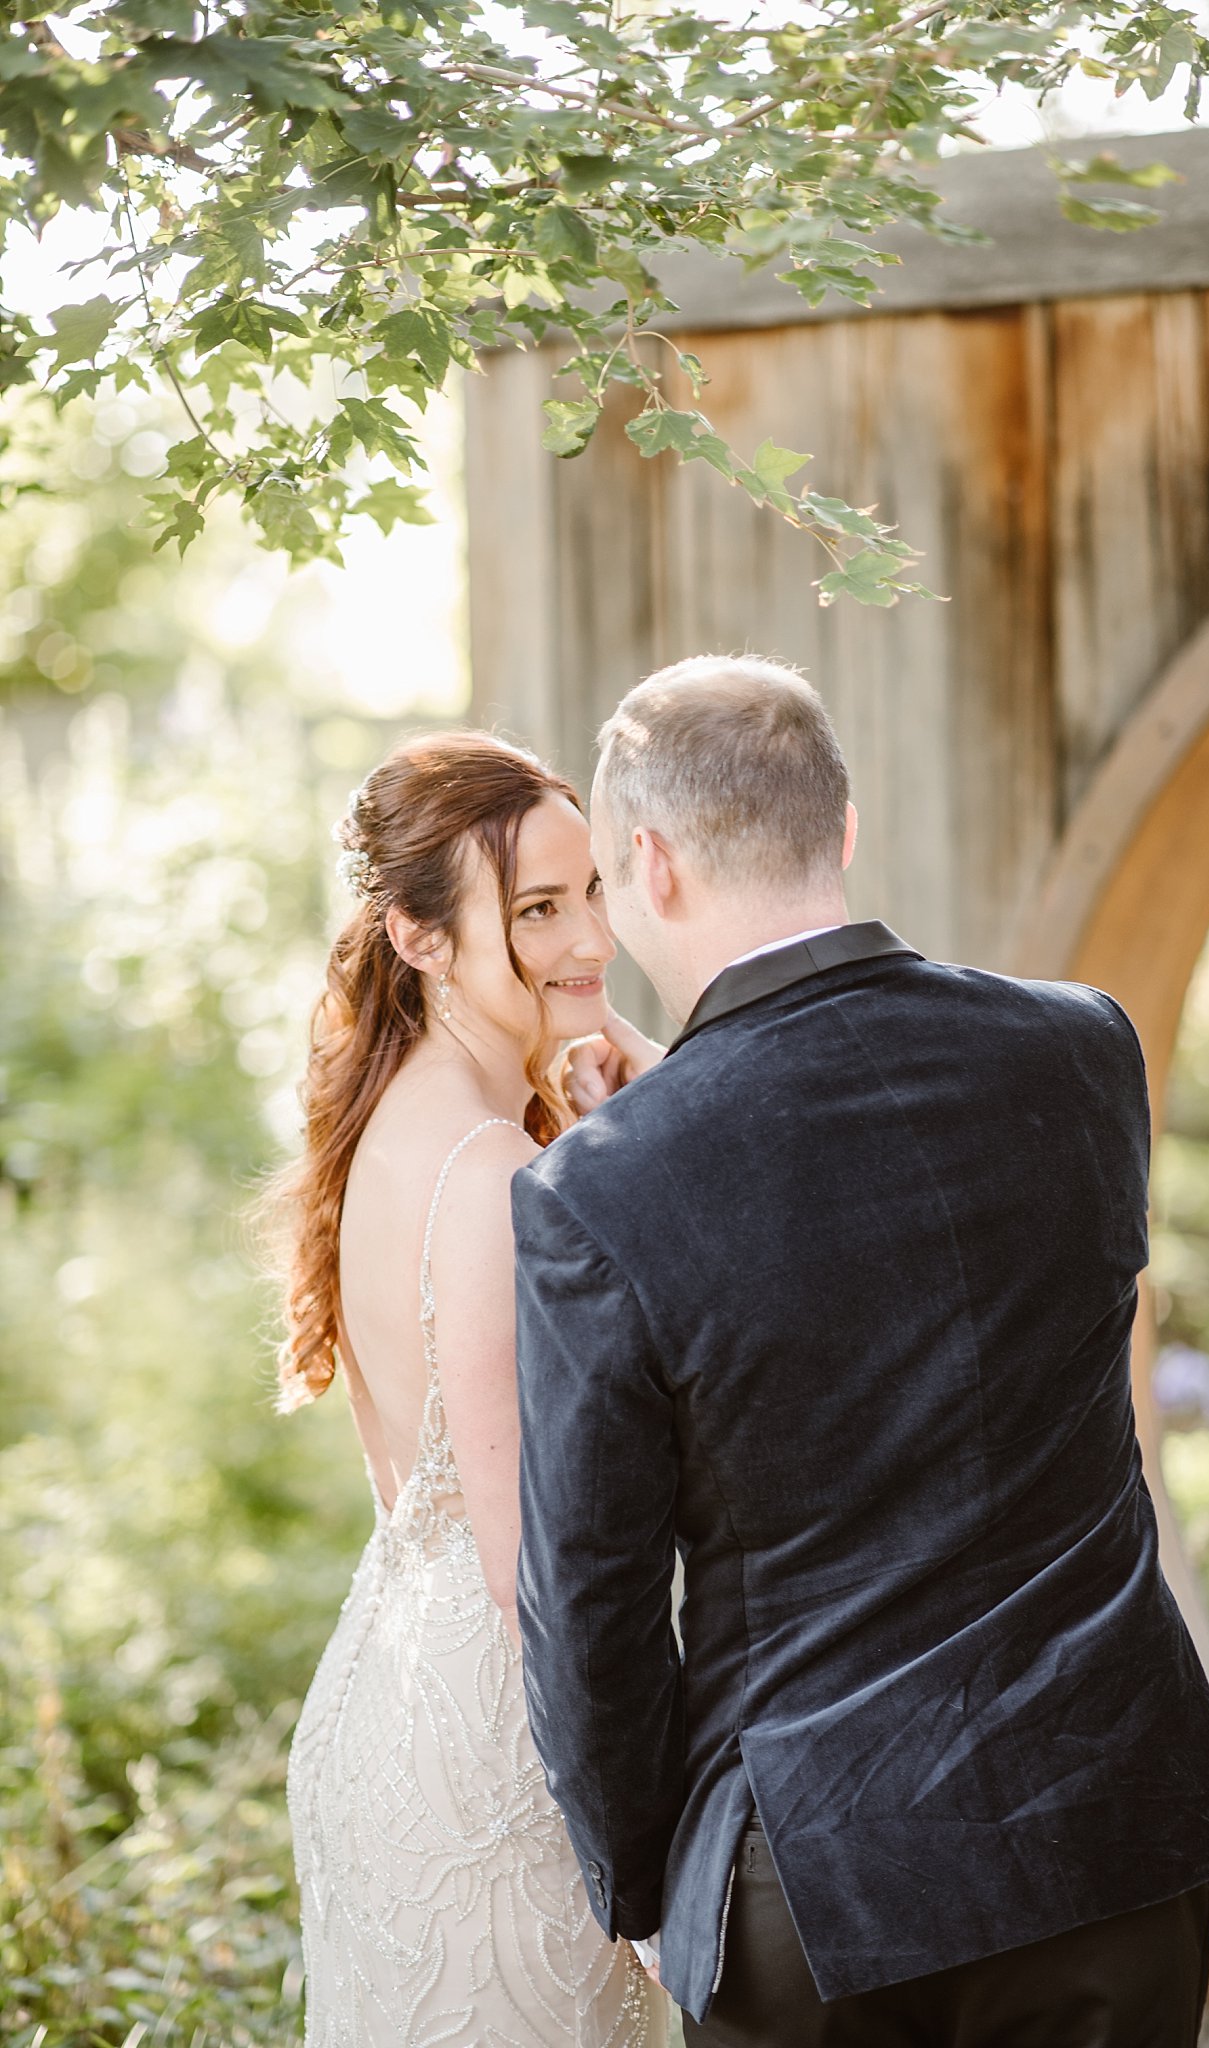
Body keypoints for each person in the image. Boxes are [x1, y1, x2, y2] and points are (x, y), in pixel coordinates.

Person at [512, 656, 1209, 2048]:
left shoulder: (599, 1192)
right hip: (1112, 1828)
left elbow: (593, 1596)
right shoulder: (1086, 1051)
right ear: (842, 831)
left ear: (649, 866)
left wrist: (639, 1875)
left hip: (816, 1880)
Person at [275, 731, 668, 2048]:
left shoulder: (399, 1118)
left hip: (391, 1696)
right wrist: (644, 1851)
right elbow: (526, 1554)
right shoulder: (492, 1171)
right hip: (500, 1757)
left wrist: (596, 1049)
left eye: (596, 891)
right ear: (422, 939)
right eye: (538, 912)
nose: (590, 940)